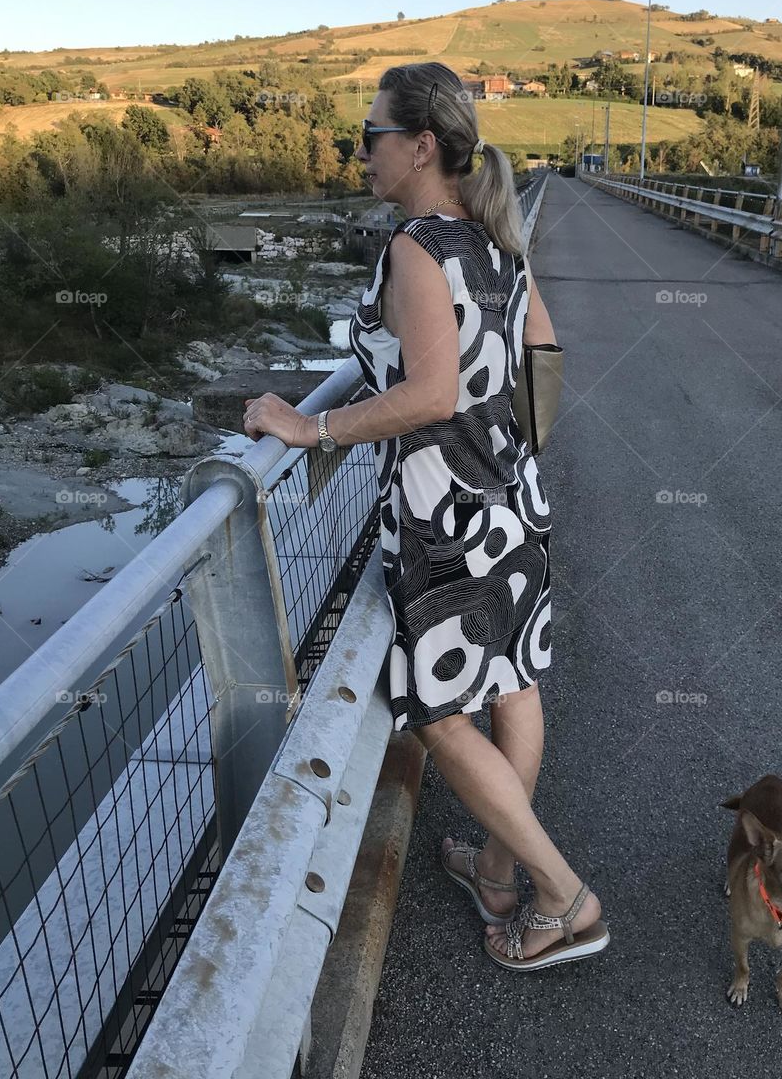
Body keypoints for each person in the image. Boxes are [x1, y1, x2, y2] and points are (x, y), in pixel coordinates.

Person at [242, 60, 608, 970]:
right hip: (513, 500)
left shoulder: (415, 248)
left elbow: (429, 394)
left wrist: (310, 425)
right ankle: (494, 871)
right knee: (515, 686)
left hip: (446, 514)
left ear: (419, 147)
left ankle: (565, 899)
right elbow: (543, 350)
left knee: (445, 718)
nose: (360, 151)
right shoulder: (497, 240)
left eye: (371, 137)